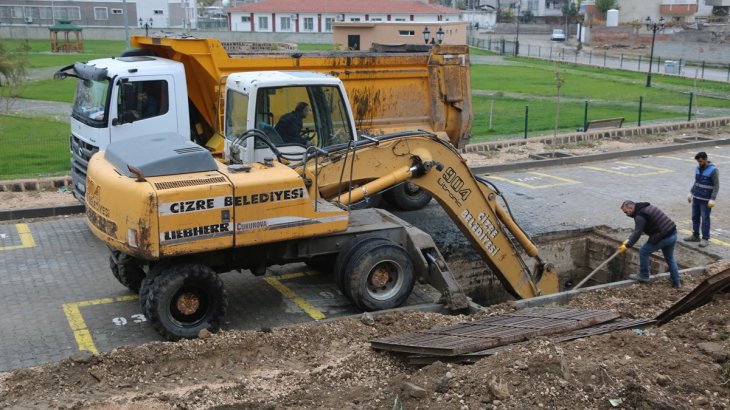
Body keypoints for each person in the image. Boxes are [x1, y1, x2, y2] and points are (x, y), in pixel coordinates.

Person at [618, 200, 681, 289]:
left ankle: (644, 275)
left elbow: (637, 232)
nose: (626, 214)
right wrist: (628, 240)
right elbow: (644, 227)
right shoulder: (646, 207)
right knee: (670, 258)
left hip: (663, 236)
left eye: (626, 212)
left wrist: (627, 245)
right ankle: (677, 282)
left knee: (643, 251)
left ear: (630, 208)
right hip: (672, 233)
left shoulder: (640, 215)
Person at [684, 151, 719, 248]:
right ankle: (695, 235)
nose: (699, 163)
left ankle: (705, 238)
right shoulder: (698, 168)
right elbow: (697, 182)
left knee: (705, 219)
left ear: (706, 159)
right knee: (695, 217)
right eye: (698, 162)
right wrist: (691, 192)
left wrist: (713, 198)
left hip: (706, 200)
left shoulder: (713, 170)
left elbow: (716, 185)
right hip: (697, 198)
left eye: (701, 161)